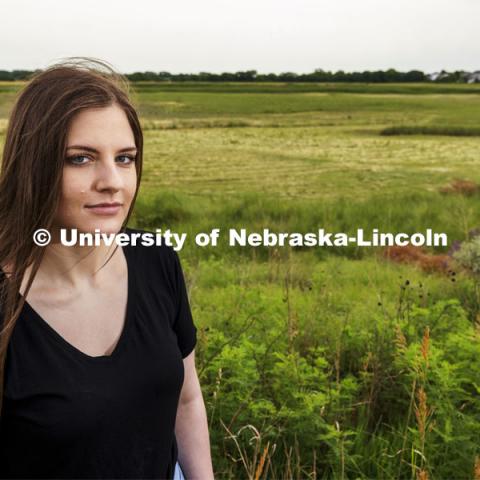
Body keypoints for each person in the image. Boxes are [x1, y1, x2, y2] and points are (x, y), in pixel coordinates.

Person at [0, 57, 214, 480]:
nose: (112, 181)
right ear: (33, 165)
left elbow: (186, 400)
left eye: (125, 158)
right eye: (80, 159)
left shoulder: (155, 260)